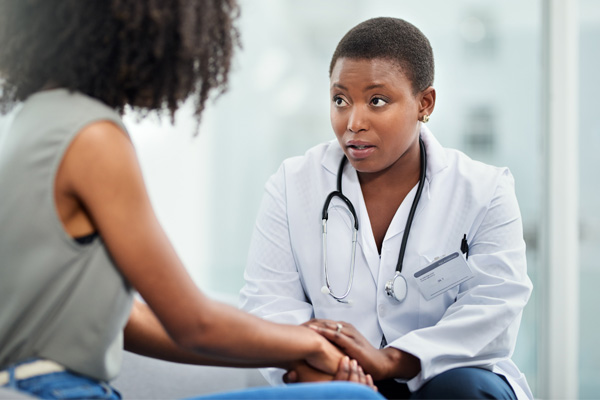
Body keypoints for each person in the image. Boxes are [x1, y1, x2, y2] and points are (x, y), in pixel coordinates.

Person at [0, 1, 385, 399]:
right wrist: (312, 344)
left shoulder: (39, 119)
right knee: (351, 397)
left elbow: (126, 322)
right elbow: (193, 322)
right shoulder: (93, 137)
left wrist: (291, 352)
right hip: (54, 390)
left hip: (34, 383)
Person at [240, 17, 534, 400]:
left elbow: (495, 307)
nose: (353, 122)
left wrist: (393, 360)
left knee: (464, 390)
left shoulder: (483, 190)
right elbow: (267, 303)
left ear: (424, 103)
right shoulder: (292, 184)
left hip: (444, 378)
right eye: (340, 100)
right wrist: (319, 368)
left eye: (377, 101)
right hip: (331, 375)